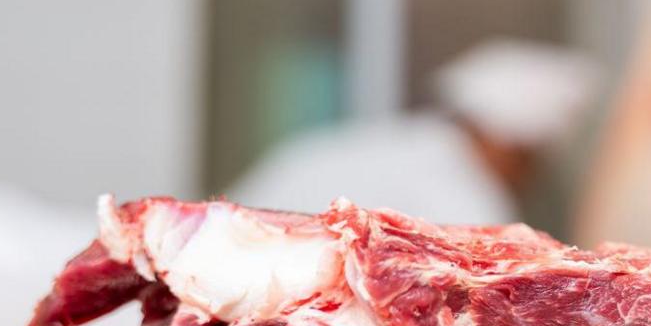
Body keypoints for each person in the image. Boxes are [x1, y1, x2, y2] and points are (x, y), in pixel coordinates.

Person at [229, 39, 597, 225]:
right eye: (528, 161)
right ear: (505, 142)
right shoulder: (461, 191)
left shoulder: (404, 144)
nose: (528, 177)